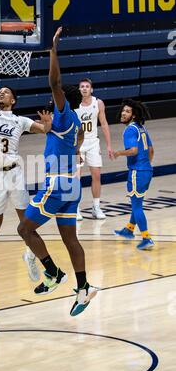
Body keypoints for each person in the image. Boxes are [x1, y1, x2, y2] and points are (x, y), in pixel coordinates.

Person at [18, 27, 97, 317]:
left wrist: (53, 48)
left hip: (58, 183)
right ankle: (84, 287)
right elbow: (75, 144)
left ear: (62, 100)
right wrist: (51, 132)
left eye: (56, 98)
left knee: (24, 229)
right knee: (70, 239)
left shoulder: (64, 112)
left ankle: (53, 272)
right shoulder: (73, 122)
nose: (52, 100)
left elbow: (54, 81)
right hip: (72, 185)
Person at [0, 49, 52, 280]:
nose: (1, 93)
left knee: (26, 223)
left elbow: (45, 130)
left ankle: (30, 255)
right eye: (0, 92)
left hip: (15, 174)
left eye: (6, 92)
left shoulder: (20, 120)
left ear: (13, 100)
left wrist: (47, 123)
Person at [113, 99, 155, 250]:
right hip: (147, 170)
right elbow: (151, 150)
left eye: (128, 111)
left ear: (134, 115)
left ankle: (146, 238)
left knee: (137, 206)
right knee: (136, 202)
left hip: (137, 172)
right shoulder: (142, 128)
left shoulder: (130, 130)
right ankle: (129, 229)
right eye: (123, 110)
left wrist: (118, 153)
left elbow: (133, 150)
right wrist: (146, 165)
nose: (123, 113)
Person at [75, 78, 114, 220]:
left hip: (93, 142)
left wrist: (109, 145)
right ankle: (75, 208)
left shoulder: (98, 103)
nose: (84, 88)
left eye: (87, 86)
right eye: (82, 87)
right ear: (79, 89)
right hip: (77, 144)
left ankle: (96, 207)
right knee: (76, 177)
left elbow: (104, 124)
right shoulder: (73, 104)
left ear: (91, 89)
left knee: (96, 175)